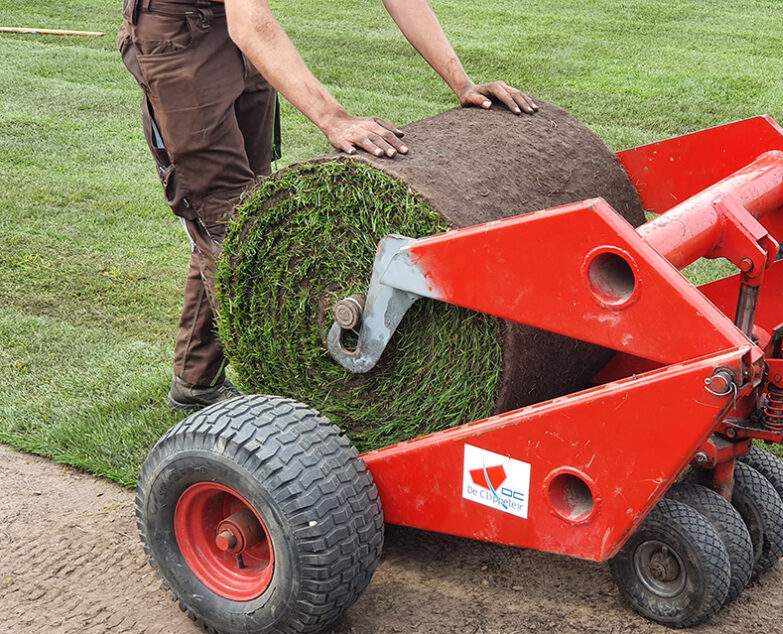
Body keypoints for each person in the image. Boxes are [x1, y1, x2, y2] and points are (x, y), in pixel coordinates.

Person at [118, 0, 538, 411]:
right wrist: (332, 118)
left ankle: (196, 381)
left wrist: (461, 83)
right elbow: (250, 24)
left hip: (236, 24)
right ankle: (281, 401)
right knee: (224, 216)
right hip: (177, 32)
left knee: (243, 213)